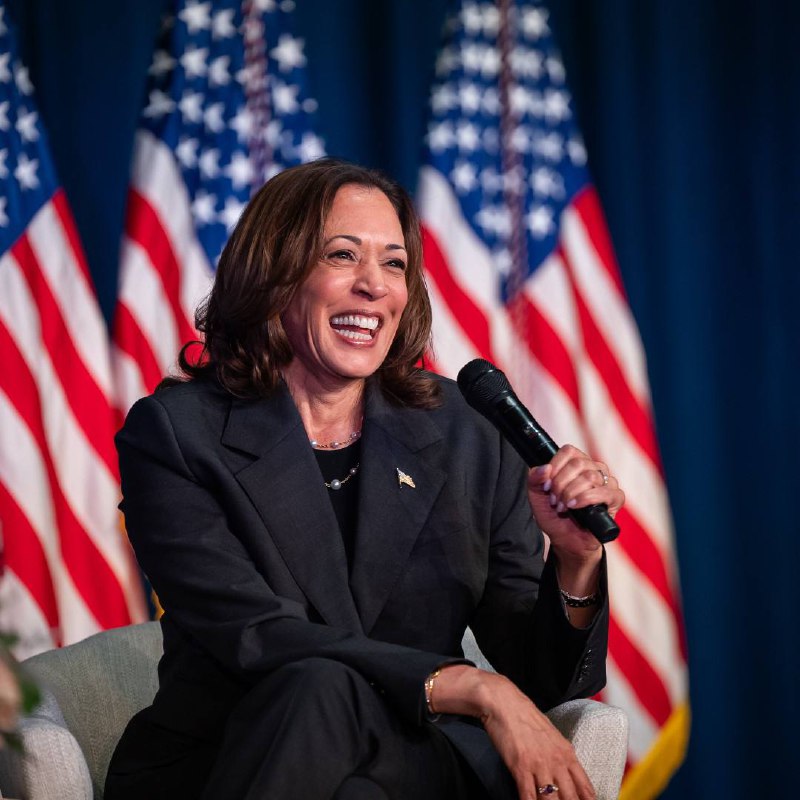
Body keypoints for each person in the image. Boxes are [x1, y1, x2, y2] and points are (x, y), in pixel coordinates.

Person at [105, 158, 624, 800]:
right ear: (273, 274)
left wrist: (575, 560)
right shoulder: (178, 434)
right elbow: (254, 634)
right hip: (237, 754)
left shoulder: (466, 432)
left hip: (418, 756)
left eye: (395, 264)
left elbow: (541, 678)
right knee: (321, 697)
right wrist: (468, 685)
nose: (375, 285)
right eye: (342, 255)